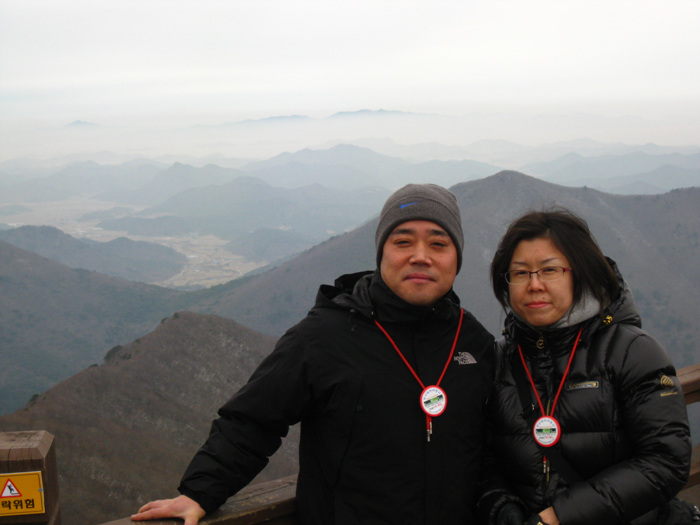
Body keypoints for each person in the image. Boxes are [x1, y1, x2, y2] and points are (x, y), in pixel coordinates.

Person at [132, 184, 495, 525]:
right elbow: (254, 419)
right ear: (381, 253)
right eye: (403, 242)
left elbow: (499, 443)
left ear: (456, 259)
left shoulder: (473, 341)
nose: (420, 257)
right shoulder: (326, 335)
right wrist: (200, 492)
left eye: (438, 244)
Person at [478, 208, 693, 525]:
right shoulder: (499, 360)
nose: (534, 284)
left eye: (550, 270)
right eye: (520, 273)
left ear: (579, 273)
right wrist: (502, 509)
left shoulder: (631, 351)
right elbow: (484, 460)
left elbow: (666, 460)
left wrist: (559, 517)